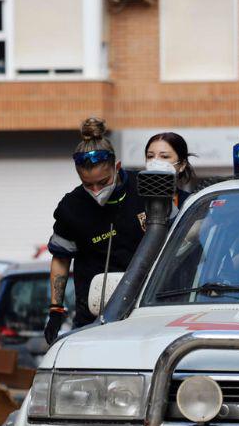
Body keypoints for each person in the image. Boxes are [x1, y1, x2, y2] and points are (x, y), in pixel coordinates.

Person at [44, 118, 146, 341]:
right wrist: (55, 310)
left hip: (145, 311)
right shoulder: (71, 208)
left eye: (103, 181)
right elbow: (61, 260)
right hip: (94, 316)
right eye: (88, 185)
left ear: (117, 167)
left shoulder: (145, 189)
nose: (96, 190)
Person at [145, 132, 199, 208]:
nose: (155, 161)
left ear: (182, 165)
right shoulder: (133, 199)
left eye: (164, 156)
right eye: (150, 156)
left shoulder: (190, 203)